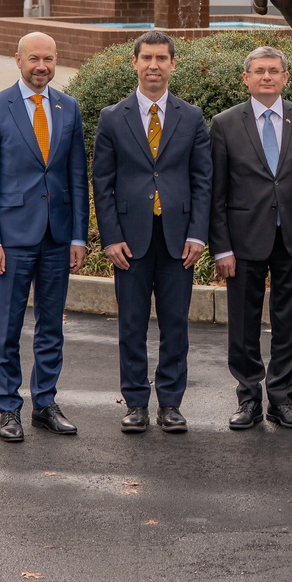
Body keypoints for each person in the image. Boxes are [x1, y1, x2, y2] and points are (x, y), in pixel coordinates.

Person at [93, 30, 212, 433]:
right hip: (130, 239)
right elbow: (101, 182)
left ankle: (171, 404)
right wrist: (110, 237)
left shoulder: (192, 117)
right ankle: (136, 404)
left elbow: (202, 181)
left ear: (173, 65)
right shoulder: (113, 117)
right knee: (131, 323)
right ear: (135, 63)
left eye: (162, 58)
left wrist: (198, 234)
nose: (154, 65)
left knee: (176, 323)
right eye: (147, 58)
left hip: (179, 239)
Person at [0, 32, 89, 443]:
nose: (42, 66)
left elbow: (77, 178)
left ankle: (44, 403)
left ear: (57, 61)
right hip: (12, 239)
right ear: (17, 60)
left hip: (57, 238)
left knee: (51, 326)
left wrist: (79, 237)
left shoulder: (68, 107)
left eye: (49, 59)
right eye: (34, 59)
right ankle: (8, 408)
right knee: (7, 326)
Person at [209, 46, 292, 430]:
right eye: (259, 71)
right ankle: (248, 398)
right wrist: (222, 247)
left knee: (289, 321)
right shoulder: (225, 123)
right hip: (243, 242)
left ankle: (281, 399)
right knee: (243, 323)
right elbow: (217, 193)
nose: (266, 77)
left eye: (273, 71)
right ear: (245, 79)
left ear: (285, 78)